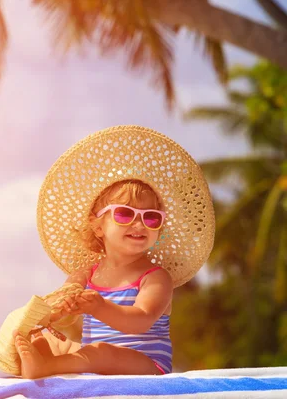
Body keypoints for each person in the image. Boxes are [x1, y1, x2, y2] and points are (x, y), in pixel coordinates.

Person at [13, 125, 215, 379]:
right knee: (49, 340)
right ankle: (43, 358)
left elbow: (141, 320)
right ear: (97, 226)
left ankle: (46, 368)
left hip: (147, 364)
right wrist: (60, 308)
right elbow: (58, 305)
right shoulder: (85, 275)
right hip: (95, 356)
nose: (139, 224)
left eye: (151, 218)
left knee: (100, 352)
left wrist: (100, 307)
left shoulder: (155, 277)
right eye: (124, 214)